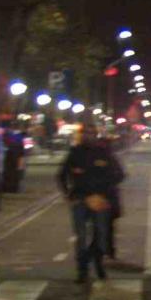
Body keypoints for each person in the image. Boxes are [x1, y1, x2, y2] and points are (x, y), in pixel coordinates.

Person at [56, 121, 124, 284]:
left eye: (91, 133)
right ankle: (82, 270)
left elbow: (119, 174)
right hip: (80, 199)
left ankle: (98, 264)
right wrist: (68, 195)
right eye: (85, 133)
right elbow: (61, 175)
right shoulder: (75, 153)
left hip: (100, 199)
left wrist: (103, 192)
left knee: (100, 235)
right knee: (81, 236)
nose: (88, 136)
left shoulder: (104, 152)